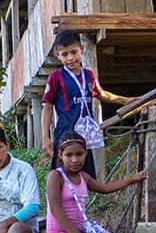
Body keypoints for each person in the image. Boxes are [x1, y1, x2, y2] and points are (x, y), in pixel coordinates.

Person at [41, 29, 136, 178]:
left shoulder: (89, 75)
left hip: (85, 134)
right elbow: (47, 107)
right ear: (57, 55)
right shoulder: (56, 77)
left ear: (82, 49)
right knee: (62, 174)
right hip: (65, 131)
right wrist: (45, 138)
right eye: (65, 54)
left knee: (84, 174)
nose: (70, 58)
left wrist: (125, 100)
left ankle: (82, 200)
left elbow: (101, 94)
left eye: (74, 52)